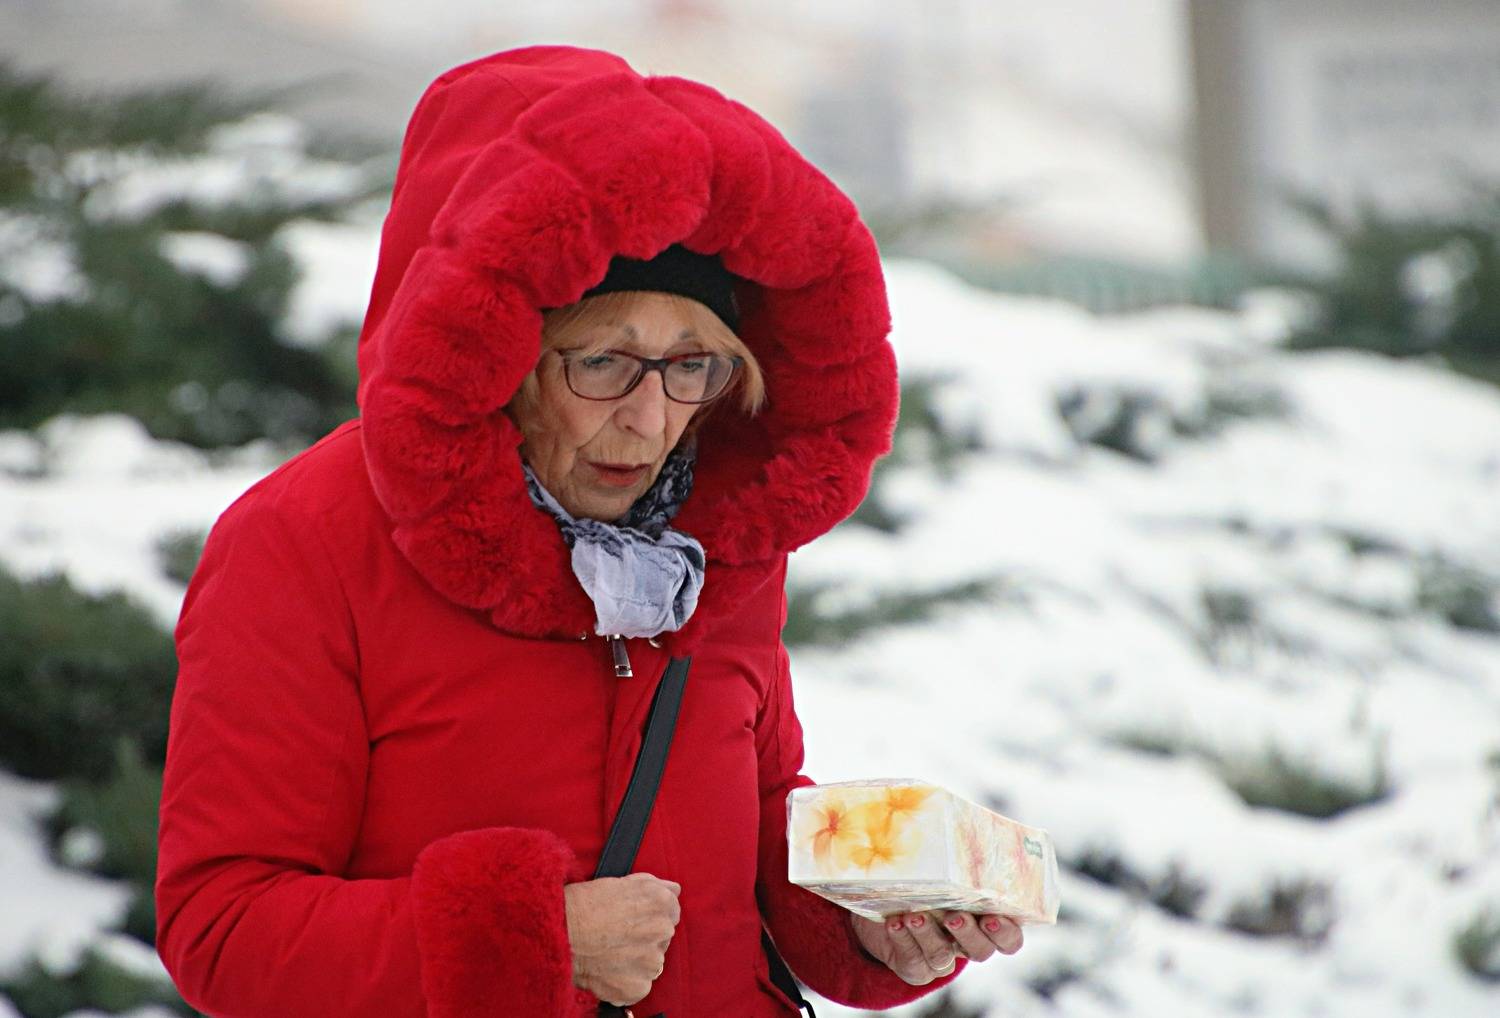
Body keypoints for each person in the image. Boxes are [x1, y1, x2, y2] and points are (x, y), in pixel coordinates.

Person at [154, 45, 1024, 1017]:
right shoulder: (301, 546)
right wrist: (535, 939)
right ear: (498, 354)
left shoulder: (714, 543)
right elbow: (223, 927)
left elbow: (749, 818)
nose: (651, 421)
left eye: (693, 365)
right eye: (603, 361)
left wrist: (867, 916)